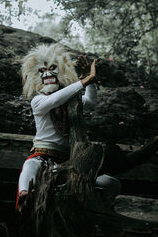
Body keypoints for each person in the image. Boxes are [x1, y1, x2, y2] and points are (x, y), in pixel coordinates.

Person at [16, 43, 121, 211]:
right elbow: (54, 100)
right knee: (30, 165)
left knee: (110, 182)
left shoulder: (71, 101)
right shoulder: (38, 101)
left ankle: (99, 206)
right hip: (43, 158)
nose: (48, 73)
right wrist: (83, 81)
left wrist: (89, 81)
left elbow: (90, 102)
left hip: (69, 162)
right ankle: (25, 195)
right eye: (42, 71)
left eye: (52, 68)